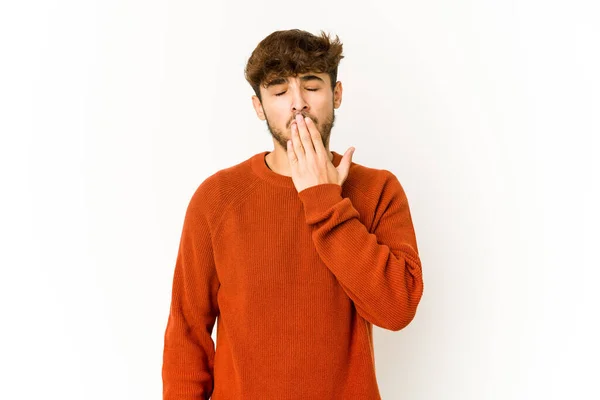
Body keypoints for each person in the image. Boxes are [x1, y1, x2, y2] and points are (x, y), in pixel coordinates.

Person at [162, 29, 424, 400]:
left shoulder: (378, 190)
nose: (297, 103)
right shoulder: (216, 199)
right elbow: (186, 336)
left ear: (337, 94)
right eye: (280, 91)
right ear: (259, 107)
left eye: (312, 86)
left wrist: (324, 199)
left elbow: (396, 309)